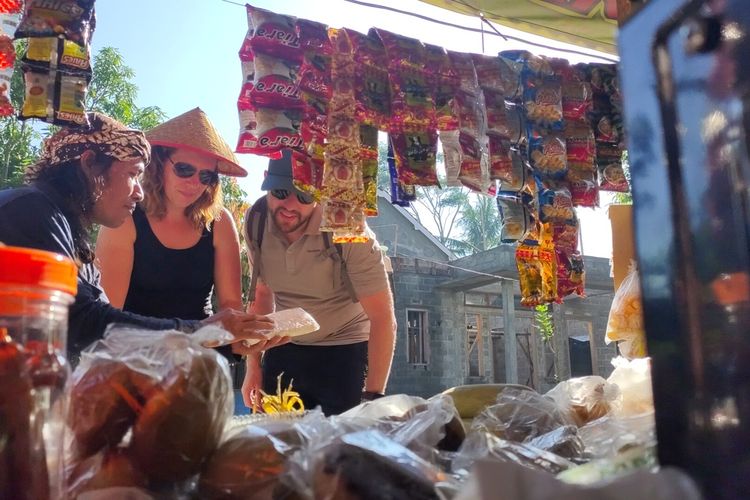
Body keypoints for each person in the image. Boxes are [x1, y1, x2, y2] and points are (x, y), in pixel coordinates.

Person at [0, 112, 274, 360]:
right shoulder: (28, 211)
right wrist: (202, 331)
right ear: (90, 164)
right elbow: (84, 323)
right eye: (132, 174)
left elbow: (103, 322)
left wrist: (230, 338)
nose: (139, 192)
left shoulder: (68, 231)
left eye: (207, 177)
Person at [94, 108, 283, 361]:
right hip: (135, 360)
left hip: (200, 359)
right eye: (184, 169)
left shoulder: (219, 221)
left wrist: (242, 339)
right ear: (159, 164)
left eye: (206, 175)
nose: (194, 182)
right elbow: (109, 318)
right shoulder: (125, 219)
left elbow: (230, 308)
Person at [235, 149, 397, 415]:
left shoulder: (348, 226)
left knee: (337, 450)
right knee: (273, 446)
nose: (290, 206)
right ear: (266, 182)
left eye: (304, 195)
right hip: (284, 346)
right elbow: (262, 296)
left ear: (321, 193)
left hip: (344, 348)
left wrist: (372, 397)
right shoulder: (256, 220)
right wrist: (254, 367)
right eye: (279, 192)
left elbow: (382, 317)